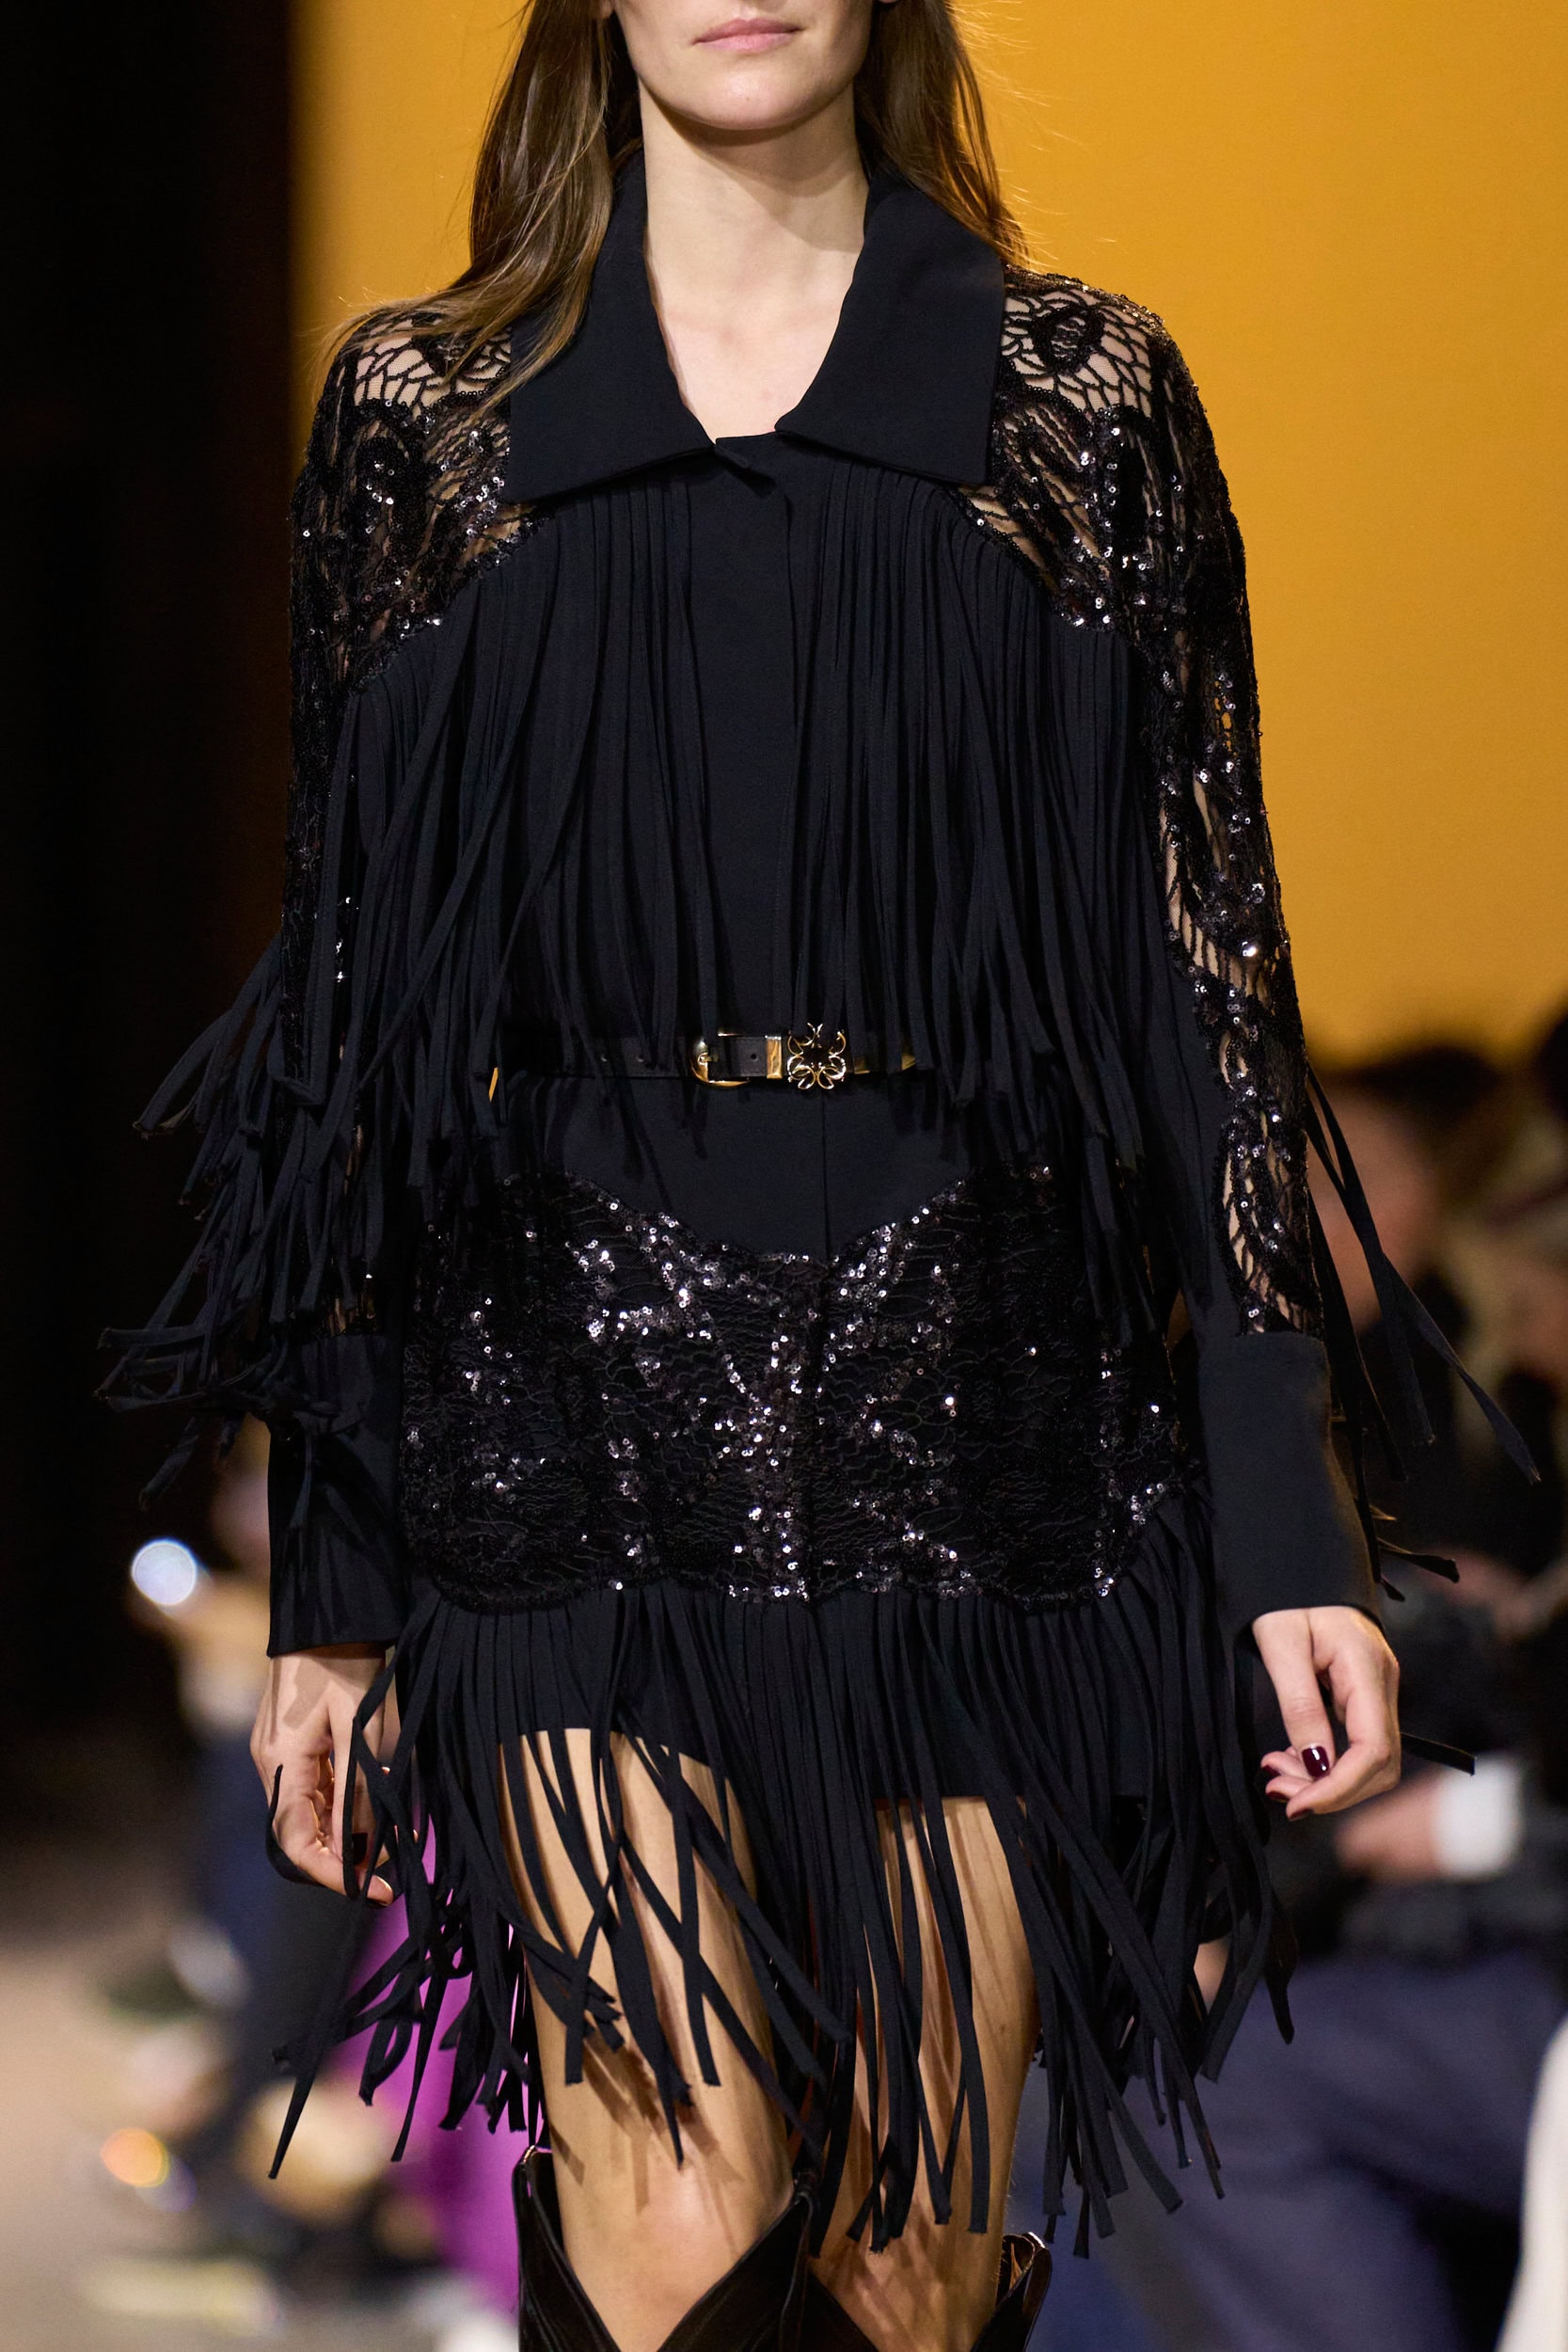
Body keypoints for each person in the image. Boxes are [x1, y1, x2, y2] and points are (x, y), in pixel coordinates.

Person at [111, 5, 1470, 2347]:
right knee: (672, 2212)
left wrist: (1288, 1527)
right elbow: (356, 1024)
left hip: (985, 1425)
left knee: (906, 2265)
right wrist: (335, 1568)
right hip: (572, 1413)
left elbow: (1207, 988)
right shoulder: (436, 416)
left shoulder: (1080, 407)